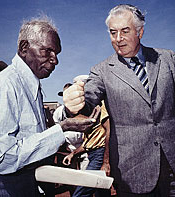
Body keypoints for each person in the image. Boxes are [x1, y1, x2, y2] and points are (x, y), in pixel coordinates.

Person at [63, 4, 175, 197]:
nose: (118, 39)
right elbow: (88, 101)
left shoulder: (168, 59)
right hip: (133, 173)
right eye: (113, 32)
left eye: (125, 31)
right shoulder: (101, 71)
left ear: (140, 32)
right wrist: (75, 105)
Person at [0, 16, 100, 197]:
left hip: (22, 178)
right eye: (48, 51)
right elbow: (4, 158)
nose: (55, 60)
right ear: (24, 48)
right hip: (2, 183)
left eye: (57, 53)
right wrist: (62, 128)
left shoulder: (31, 86)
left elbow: (31, 138)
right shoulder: (5, 84)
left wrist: (67, 121)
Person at [63, 101, 112, 197]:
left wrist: (106, 162)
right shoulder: (87, 111)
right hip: (93, 155)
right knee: (101, 192)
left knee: (81, 192)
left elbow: (109, 130)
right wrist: (73, 153)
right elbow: (88, 144)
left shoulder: (100, 106)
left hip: (100, 154)